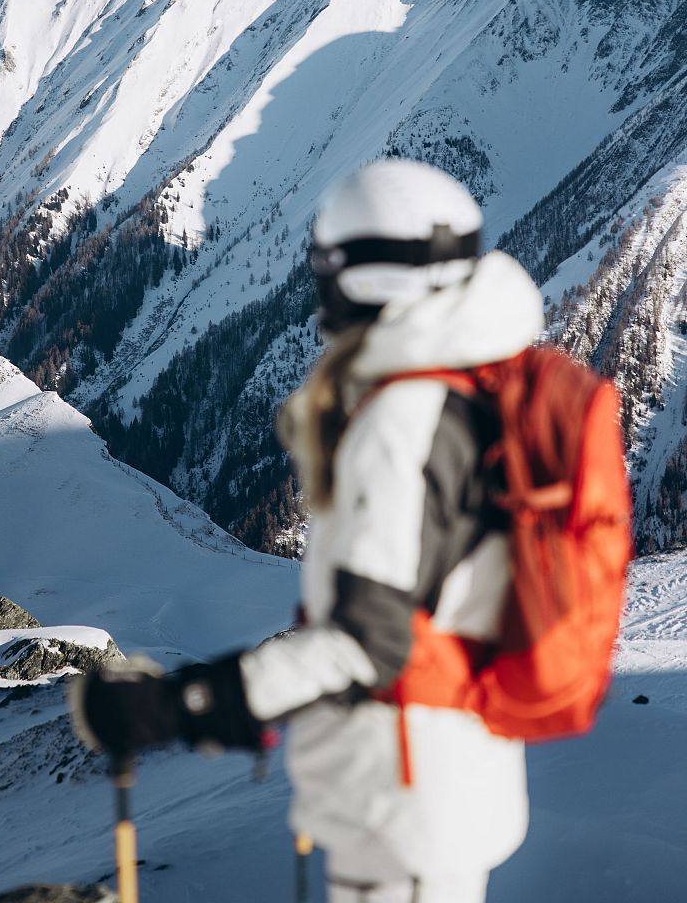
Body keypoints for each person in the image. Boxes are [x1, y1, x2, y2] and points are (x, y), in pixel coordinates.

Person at [73, 158, 545, 903]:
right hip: (437, 780)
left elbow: (366, 643)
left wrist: (180, 706)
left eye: (327, 267)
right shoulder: (463, 389)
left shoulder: (403, 422)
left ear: (363, 281)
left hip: (403, 803)